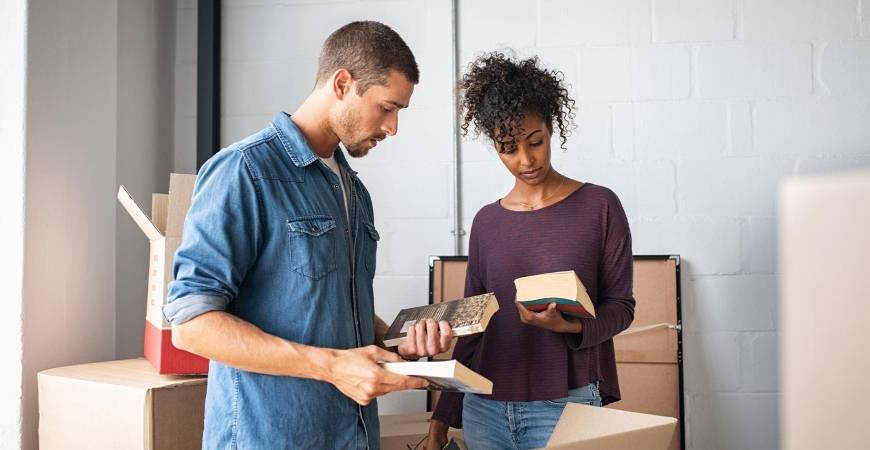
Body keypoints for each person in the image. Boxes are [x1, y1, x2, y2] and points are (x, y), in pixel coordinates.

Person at [163, 21, 452, 449]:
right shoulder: (243, 172)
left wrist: (396, 343)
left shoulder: (354, 190)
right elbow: (191, 325)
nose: (392, 128)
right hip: (270, 437)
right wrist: (333, 366)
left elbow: (332, 308)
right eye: (387, 107)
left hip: (352, 437)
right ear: (342, 83)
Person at [425, 52, 636, 450]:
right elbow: (474, 327)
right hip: (484, 408)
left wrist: (569, 327)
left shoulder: (599, 206)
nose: (525, 159)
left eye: (535, 142)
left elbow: (621, 307)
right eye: (508, 147)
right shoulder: (487, 222)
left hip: (566, 404)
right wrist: (442, 418)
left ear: (551, 128)